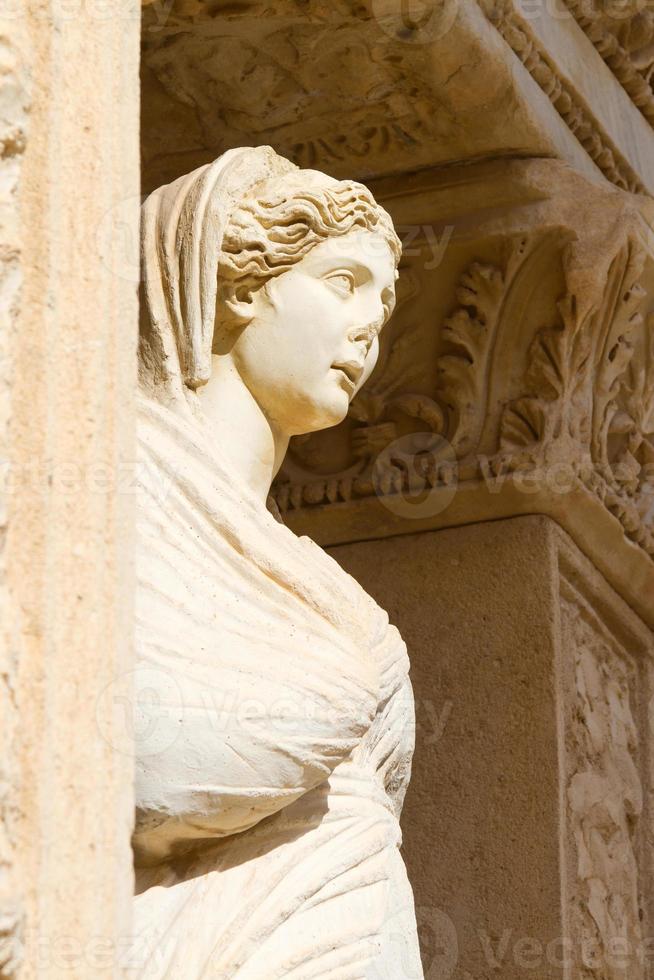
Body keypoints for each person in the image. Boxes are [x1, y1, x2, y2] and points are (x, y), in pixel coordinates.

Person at [131, 145, 422, 979]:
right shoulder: (122, 486)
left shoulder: (325, 583)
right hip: (211, 937)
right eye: (343, 282)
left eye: (386, 298)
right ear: (242, 286)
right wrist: (327, 696)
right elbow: (126, 762)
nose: (371, 323)